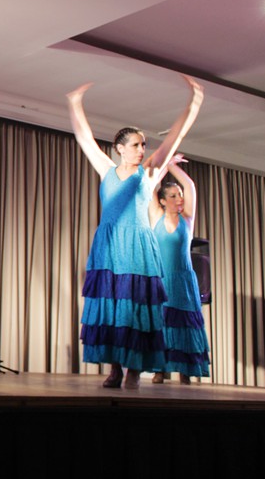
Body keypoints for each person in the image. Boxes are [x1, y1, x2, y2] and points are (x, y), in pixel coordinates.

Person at [67, 75, 203, 389]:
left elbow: (176, 137)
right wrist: (75, 103)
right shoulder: (106, 169)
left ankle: (133, 370)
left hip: (138, 246)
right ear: (119, 149)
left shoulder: (149, 172)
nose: (142, 149)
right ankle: (115, 368)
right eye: (136, 145)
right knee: (112, 306)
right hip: (110, 245)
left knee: (136, 308)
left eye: (143, 144)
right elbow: (84, 137)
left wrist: (194, 102)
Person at [148, 155, 211, 383]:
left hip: (183, 282)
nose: (179, 198)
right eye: (173, 196)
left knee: (184, 324)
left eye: (180, 195)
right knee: (161, 323)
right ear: (163, 201)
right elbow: (152, 184)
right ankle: (159, 370)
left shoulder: (187, 219)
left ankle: (185, 371)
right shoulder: (156, 215)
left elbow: (190, 185)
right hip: (162, 280)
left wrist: (173, 165)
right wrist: (164, 163)